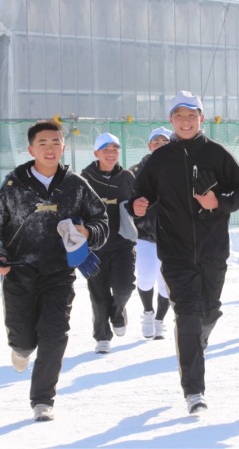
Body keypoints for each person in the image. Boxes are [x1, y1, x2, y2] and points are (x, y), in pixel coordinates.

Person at [129, 90, 239, 415]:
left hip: (213, 250)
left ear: (202, 118)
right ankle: (194, 392)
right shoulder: (159, 159)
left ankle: (200, 336)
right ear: (171, 120)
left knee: (209, 311)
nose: (186, 122)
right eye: (179, 116)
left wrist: (219, 203)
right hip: (175, 252)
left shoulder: (217, 153)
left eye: (191, 115)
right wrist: (137, 205)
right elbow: (139, 195)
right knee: (186, 315)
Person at [0, 119, 109, 422]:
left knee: (55, 334)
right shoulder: (13, 185)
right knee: (24, 340)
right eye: (43, 143)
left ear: (63, 146)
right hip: (19, 273)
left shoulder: (76, 185)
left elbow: (101, 221)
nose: (50, 149)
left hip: (58, 274)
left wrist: (89, 232)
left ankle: (42, 400)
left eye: (55, 142)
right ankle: (20, 349)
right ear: (31, 149)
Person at [81, 132, 137, 354]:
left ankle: (118, 310)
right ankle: (102, 337)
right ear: (96, 153)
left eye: (115, 149)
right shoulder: (84, 178)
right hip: (94, 247)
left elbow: (139, 206)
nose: (111, 154)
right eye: (106, 150)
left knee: (124, 287)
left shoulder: (127, 177)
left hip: (122, 245)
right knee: (98, 295)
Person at [129, 126, 174, 340]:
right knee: (146, 277)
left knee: (166, 283)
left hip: (172, 236)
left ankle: (159, 320)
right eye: (156, 142)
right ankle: (148, 312)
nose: (160, 146)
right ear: (149, 146)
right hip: (145, 234)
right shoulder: (136, 171)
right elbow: (127, 201)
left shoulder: (180, 169)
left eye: (165, 142)